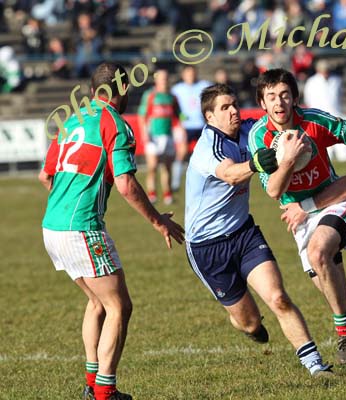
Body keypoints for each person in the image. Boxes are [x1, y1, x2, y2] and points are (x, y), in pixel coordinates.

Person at [39, 62, 185, 400]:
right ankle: (105, 392)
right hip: (81, 228)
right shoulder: (114, 123)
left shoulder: (71, 121)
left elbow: (46, 176)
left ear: (93, 91)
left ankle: (93, 385)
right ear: (122, 92)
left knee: (98, 303)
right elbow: (125, 183)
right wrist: (158, 220)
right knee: (120, 307)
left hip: (52, 228)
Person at [248, 69, 346, 371]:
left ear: (295, 98)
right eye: (272, 97)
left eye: (285, 95)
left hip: (334, 201)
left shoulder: (313, 121)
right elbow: (274, 189)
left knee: (320, 253)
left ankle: (342, 333)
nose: (280, 103)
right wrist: (289, 158)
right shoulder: (258, 138)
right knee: (339, 299)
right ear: (262, 103)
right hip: (298, 219)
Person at [184, 83, 332, 377]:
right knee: (250, 321)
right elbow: (229, 174)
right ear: (209, 117)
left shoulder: (249, 132)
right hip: (207, 247)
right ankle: (246, 324)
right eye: (225, 107)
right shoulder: (207, 147)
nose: (234, 111)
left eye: (235, 104)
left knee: (278, 298)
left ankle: (315, 365)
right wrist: (254, 164)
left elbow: (276, 126)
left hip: (244, 233)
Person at [138, 68, 182, 205]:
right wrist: (144, 133)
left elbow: (178, 115)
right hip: (153, 136)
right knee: (152, 166)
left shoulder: (172, 97)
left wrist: (183, 123)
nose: (164, 80)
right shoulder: (150, 95)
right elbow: (142, 115)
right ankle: (152, 194)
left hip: (167, 136)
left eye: (166, 78)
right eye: (162, 78)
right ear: (156, 80)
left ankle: (167, 194)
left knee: (166, 167)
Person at [170, 65, 212, 191]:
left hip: (201, 125)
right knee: (181, 153)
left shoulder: (204, 85)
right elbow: (173, 107)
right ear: (183, 75)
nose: (191, 76)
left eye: (192, 73)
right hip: (185, 127)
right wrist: (179, 121)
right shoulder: (177, 89)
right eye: (188, 73)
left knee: (208, 152)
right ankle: (175, 183)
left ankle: (210, 178)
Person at [304, 59, 346, 162]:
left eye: (326, 69)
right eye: (323, 69)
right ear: (318, 70)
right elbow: (308, 99)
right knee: (324, 147)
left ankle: (344, 158)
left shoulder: (336, 80)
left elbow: (340, 97)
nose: (325, 72)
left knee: (343, 146)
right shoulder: (311, 82)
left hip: (336, 114)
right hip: (319, 117)